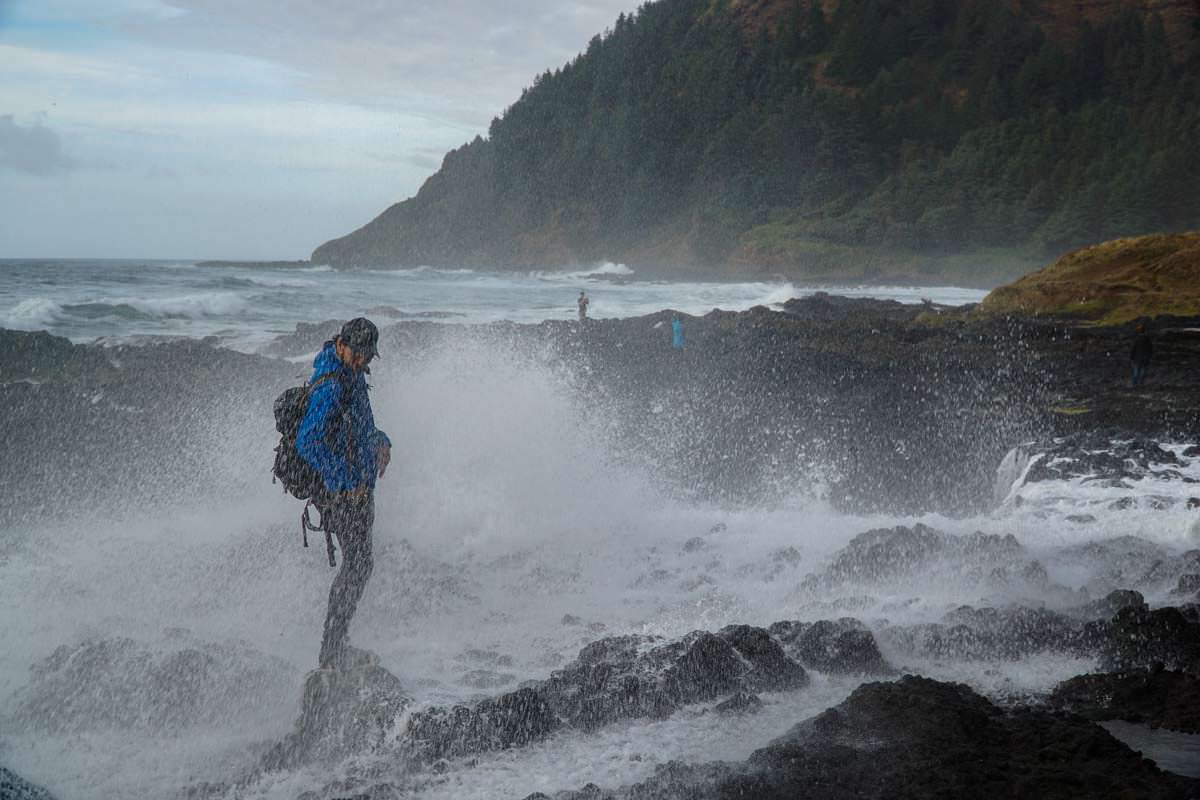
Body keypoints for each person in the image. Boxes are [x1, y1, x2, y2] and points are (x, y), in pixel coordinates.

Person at [296, 317, 392, 669]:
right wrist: (345, 481)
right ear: (342, 344)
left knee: (360, 565)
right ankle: (331, 651)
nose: (363, 361)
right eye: (358, 354)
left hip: (358, 487)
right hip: (342, 495)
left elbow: (361, 425)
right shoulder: (333, 384)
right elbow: (307, 441)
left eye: (368, 356)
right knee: (357, 565)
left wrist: (382, 442)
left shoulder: (352, 374)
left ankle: (336, 645)